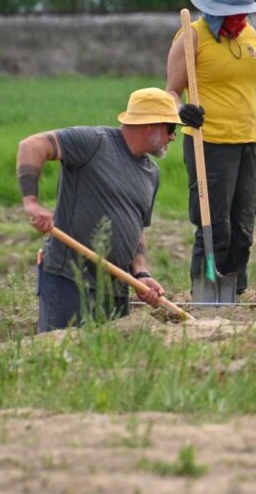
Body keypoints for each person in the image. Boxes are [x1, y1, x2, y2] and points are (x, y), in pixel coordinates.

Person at [166, 0, 256, 296]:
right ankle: (206, 300)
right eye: (233, 13)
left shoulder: (248, 35)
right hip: (209, 142)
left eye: (244, 12)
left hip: (247, 141)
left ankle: (232, 298)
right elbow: (171, 93)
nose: (241, 18)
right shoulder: (191, 36)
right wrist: (181, 112)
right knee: (214, 227)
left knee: (243, 229)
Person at [17, 88, 179, 331]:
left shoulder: (151, 173)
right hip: (69, 280)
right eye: (170, 129)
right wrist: (32, 203)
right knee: (60, 355)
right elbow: (31, 145)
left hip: (115, 288)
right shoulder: (93, 142)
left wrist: (142, 273)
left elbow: (136, 229)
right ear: (151, 125)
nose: (173, 137)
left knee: (105, 364)